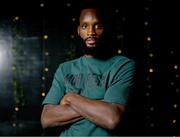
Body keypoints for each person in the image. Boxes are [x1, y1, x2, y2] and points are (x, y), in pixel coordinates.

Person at [41, 3, 136, 136]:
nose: (91, 32)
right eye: (85, 26)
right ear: (79, 31)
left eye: (98, 26)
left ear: (106, 29)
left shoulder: (123, 65)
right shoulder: (65, 68)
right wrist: (101, 105)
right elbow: (47, 119)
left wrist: (70, 98)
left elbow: (111, 118)